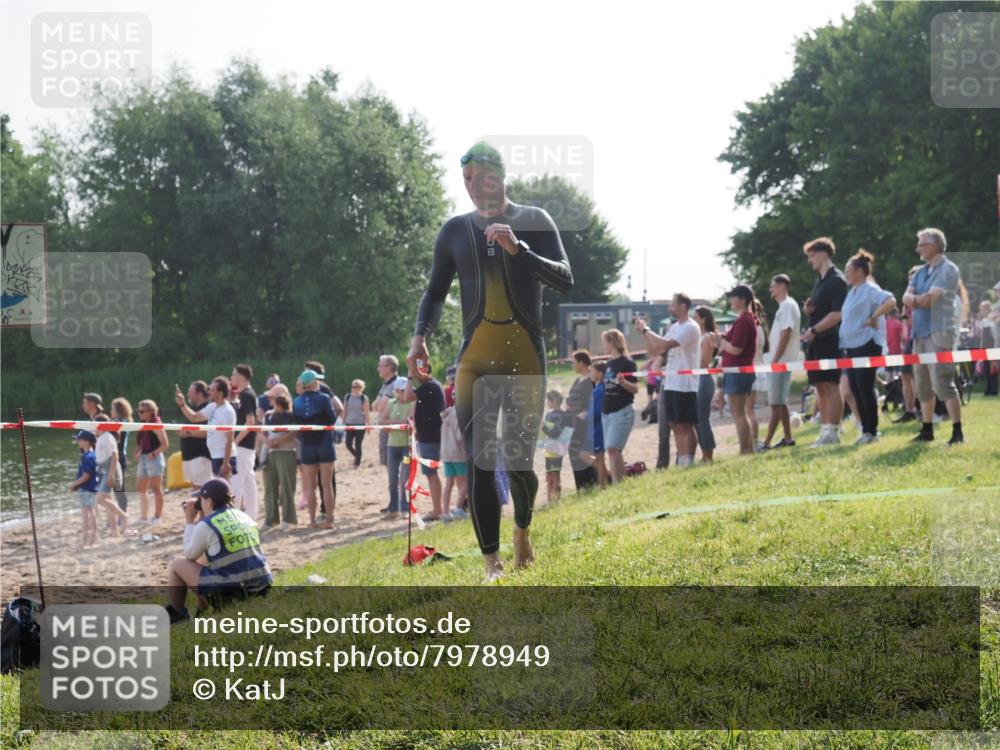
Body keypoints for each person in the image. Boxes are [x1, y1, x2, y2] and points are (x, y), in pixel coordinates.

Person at [407, 141, 573, 581]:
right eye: (466, 180)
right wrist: (418, 338)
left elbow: (566, 278)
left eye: (481, 178)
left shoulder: (535, 221)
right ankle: (490, 563)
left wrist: (521, 251)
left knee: (519, 464)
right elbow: (435, 292)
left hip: (524, 359)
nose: (473, 187)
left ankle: (522, 529)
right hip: (474, 362)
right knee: (480, 460)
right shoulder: (454, 231)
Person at [165, 478, 273, 624]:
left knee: (177, 564)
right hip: (262, 586)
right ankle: (201, 610)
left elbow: (189, 554)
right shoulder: (244, 516)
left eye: (201, 499)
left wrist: (189, 522)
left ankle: (178, 615)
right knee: (202, 559)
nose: (200, 503)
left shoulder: (207, 525)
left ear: (209, 502)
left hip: (234, 593)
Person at [902, 227, 964, 444]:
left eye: (922, 244)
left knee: (943, 382)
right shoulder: (920, 272)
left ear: (935, 246)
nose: (917, 248)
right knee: (922, 384)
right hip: (919, 333)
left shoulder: (948, 269)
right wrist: (919, 299)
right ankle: (927, 429)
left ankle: (957, 431)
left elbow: (931, 301)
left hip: (940, 331)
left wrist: (915, 300)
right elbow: (906, 297)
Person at [635, 293, 700, 467]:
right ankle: (682, 461)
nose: (670, 308)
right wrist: (644, 334)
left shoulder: (691, 327)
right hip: (671, 381)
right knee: (674, 424)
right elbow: (656, 350)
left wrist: (646, 329)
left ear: (683, 307)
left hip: (685, 383)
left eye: (673, 305)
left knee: (685, 424)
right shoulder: (674, 326)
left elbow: (664, 344)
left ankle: (687, 461)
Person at [839, 249, 896, 444]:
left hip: (867, 344)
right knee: (855, 387)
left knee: (864, 386)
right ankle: (865, 429)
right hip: (852, 345)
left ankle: (871, 430)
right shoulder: (852, 292)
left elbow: (890, 301)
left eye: (848, 269)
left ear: (860, 271)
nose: (846, 273)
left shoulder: (870, 289)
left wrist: (874, 317)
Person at [799, 237, 848, 447]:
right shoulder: (820, 281)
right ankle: (825, 429)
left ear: (824, 254)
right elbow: (823, 310)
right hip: (815, 341)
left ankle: (833, 432)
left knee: (831, 385)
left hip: (829, 340)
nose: (810, 260)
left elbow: (837, 314)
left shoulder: (837, 279)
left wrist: (815, 330)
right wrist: (811, 310)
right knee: (819, 386)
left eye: (812, 255)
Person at [710, 285, 758, 455]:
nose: (730, 300)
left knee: (739, 414)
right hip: (737, 372)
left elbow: (736, 349)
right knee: (739, 413)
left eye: (733, 297)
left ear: (742, 299)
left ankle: (745, 450)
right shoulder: (744, 319)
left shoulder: (744, 320)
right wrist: (720, 339)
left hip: (739, 372)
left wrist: (721, 343)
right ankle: (747, 449)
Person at [760, 274, 801, 449]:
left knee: (776, 404)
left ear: (783, 286)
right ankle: (787, 438)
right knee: (780, 401)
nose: (771, 289)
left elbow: (786, 333)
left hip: (781, 361)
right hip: (780, 361)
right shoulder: (785, 306)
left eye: (773, 285)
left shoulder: (787, 306)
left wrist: (775, 359)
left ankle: (767, 442)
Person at [293, 369, 337, 528]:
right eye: (317, 380)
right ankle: (329, 520)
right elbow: (332, 420)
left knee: (310, 485)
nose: (319, 382)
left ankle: (312, 521)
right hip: (324, 443)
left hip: (307, 445)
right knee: (326, 484)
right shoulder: (324, 398)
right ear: (313, 383)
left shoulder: (296, 401)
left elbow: (296, 424)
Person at [403, 364, 446, 522]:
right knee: (431, 474)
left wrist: (408, 378)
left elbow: (407, 398)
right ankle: (438, 509)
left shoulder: (429, 386)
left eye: (415, 372)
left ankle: (437, 510)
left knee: (431, 474)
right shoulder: (431, 385)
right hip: (430, 436)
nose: (413, 375)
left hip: (430, 437)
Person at [176, 377, 236, 479]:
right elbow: (194, 417)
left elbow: (229, 439)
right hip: (215, 455)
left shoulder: (227, 411)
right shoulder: (213, 406)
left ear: (220, 393)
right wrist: (182, 404)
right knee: (220, 491)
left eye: (212, 390)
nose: (209, 392)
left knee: (227, 490)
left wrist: (226, 463)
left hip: (224, 457)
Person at [600, 328, 638, 483]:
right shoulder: (609, 364)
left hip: (621, 410)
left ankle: (618, 484)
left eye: (604, 343)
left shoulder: (627, 363)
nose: (603, 346)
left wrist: (623, 382)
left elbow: (635, 389)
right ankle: (621, 483)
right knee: (613, 451)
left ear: (612, 343)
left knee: (612, 448)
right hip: (607, 412)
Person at [261, 394, 297, 531]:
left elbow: (294, 432)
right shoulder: (268, 415)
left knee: (287, 486)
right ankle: (270, 519)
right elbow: (262, 432)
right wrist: (268, 442)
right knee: (269, 487)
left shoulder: (291, 416)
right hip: (270, 453)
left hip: (286, 451)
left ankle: (287, 518)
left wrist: (278, 441)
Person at [229, 364, 259, 520]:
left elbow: (250, 423)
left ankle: (239, 517)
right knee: (248, 481)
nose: (231, 377)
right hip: (246, 446)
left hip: (243, 446)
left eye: (233, 374)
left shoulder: (247, 394)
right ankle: (250, 516)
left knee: (238, 481)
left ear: (241, 376)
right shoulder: (245, 394)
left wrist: (234, 441)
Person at [565, 351, 598, 490]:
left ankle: (594, 480)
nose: (573, 365)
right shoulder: (578, 380)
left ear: (581, 363)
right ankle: (581, 486)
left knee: (584, 452)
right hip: (573, 422)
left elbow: (595, 398)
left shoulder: (592, 379)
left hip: (585, 422)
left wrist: (584, 413)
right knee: (574, 452)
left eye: (574, 362)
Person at [382, 377, 413, 519]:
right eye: (399, 390)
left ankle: (405, 508)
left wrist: (393, 424)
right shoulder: (391, 403)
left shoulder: (412, 403)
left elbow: (410, 423)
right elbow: (384, 423)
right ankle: (393, 508)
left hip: (407, 446)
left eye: (403, 390)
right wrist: (399, 423)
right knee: (392, 479)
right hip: (392, 445)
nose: (401, 393)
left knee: (404, 479)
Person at [134, 399, 169, 525]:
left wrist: (153, 453)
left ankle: (157, 517)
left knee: (156, 488)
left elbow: (165, 444)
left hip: (154, 458)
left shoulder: (156, 424)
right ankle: (144, 516)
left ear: (150, 412)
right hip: (144, 458)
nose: (140, 414)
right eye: (139, 411)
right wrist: (138, 451)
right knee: (141, 488)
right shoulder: (143, 424)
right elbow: (141, 442)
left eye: (142, 411)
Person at [93, 415, 128, 535]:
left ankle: (124, 516)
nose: (93, 427)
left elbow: (114, 456)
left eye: (94, 424)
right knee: (107, 500)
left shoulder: (107, 437)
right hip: (103, 469)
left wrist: (111, 475)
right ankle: (114, 530)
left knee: (100, 498)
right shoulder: (101, 437)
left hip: (109, 469)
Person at [692, 306, 719, 461]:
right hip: (697, 379)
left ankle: (708, 454)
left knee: (702, 419)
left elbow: (704, 362)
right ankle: (705, 452)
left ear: (703, 319)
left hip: (703, 379)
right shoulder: (700, 337)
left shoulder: (707, 337)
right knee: (697, 419)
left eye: (695, 317)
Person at [179, 381, 213, 489]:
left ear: (199, 393)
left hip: (200, 455)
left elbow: (208, 432)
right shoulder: (192, 410)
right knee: (195, 488)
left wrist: (188, 433)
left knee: (202, 488)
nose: (188, 394)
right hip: (188, 456)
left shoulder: (207, 409)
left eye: (191, 392)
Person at [439, 400, 468, 520]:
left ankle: (445, 513)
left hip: (446, 453)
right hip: (458, 453)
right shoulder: (459, 414)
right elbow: (460, 435)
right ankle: (458, 508)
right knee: (468, 480)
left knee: (449, 483)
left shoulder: (447, 412)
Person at [70, 430, 99, 547]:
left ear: (86, 442)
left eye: (79, 440)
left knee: (86, 513)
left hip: (86, 488)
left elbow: (86, 476)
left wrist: (74, 484)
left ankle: (86, 539)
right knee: (91, 512)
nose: (77, 442)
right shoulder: (94, 454)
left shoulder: (87, 457)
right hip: (92, 488)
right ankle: (93, 538)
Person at [540, 390, 569, 502]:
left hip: (556, 450)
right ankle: (550, 500)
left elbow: (554, 433)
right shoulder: (552, 415)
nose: (547, 402)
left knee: (555, 475)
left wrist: (542, 426)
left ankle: (555, 500)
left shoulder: (560, 416)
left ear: (553, 401)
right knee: (550, 475)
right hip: (549, 449)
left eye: (548, 400)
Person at [373, 355, 401, 467]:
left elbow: (379, 407)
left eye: (380, 366)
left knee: (393, 462)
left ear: (389, 367)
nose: (378, 369)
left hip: (394, 428)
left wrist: (380, 403)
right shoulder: (386, 384)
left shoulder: (397, 383)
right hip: (386, 426)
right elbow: (375, 406)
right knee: (387, 461)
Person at [110, 397, 133, 516]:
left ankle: (122, 514)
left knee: (119, 489)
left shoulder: (121, 422)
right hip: (119, 456)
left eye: (112, 408)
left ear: (118, 409)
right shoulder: (120, 421)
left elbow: (116, 439)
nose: (111, 410)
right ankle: (120, 513)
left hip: (119, 457)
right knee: (117, 489)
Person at [589, 361, 610, 487]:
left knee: (599, 457)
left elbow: (596, 411)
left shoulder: (600, 389)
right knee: (598, 458)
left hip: (598, 427)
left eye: (593, 371)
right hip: (596, 427)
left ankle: (603, 485)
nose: (591, 373)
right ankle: (604, 481)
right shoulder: (597, 388)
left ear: (600, 373)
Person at [342, 379, 370, 469]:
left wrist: (368, 426)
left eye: (355, 387)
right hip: (349, 423)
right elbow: (344, 410)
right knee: (348, 444)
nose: (353, 388)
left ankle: (357, 463)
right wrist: (343, 422)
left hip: (360, 424)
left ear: (360, 388)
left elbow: (366, 413)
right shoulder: (347, 396)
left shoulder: (363, 398)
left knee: (358, 444)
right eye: (352, 386)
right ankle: (357, 456)